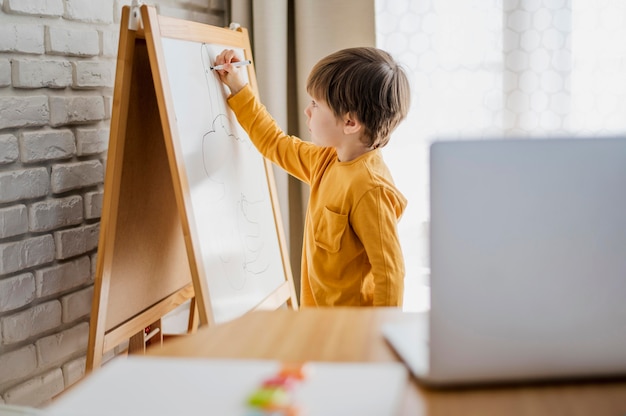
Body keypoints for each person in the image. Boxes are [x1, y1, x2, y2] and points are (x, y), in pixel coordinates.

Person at [214, 47, 410, 307]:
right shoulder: (326, 160)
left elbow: (390, 273)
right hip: (319, 323)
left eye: (316, 105)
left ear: (350, 123)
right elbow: (275, 143)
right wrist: (239, 87)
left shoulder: (370, 189)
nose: (307, 111)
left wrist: (378, 336)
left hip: (350, 336)